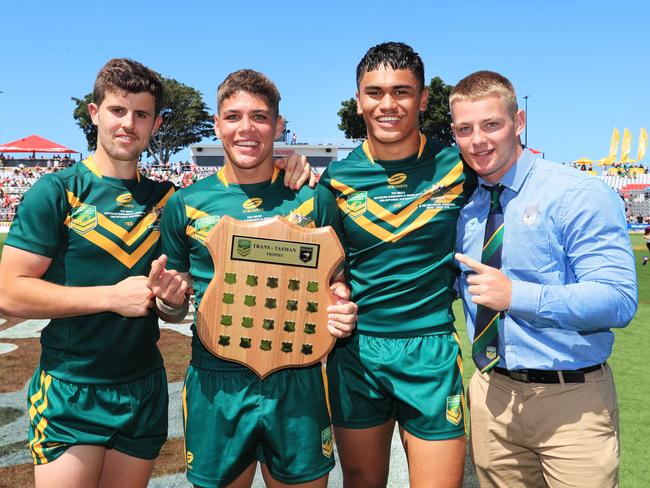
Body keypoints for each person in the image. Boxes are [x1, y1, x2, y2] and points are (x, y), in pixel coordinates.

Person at [0, 60, 317, 488]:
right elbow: (9, 293)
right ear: (94, 114)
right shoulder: (57, 191)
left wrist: (290, 161)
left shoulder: (171, 200)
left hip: (145, 388)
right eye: (117, 110)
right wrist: (111, 297)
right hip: (71, 387)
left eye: (141, 114)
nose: (128, 124)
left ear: (156, 123)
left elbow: (174, 300)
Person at [152, 69, 358, 488]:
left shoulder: (313, 196)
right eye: (233, 116)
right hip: (217, 380)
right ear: (217, 125)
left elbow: (337, 280)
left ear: (278, 126)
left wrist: (341, 304)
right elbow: (173, 304)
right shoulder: (186, 203)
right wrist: (169, 302)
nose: (246, 128)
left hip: (298, 376)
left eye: (259, 117)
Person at [451, 70, 637, 488]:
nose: (478, 140)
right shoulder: (465, 208)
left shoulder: (577, 193)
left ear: (518, 123)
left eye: (491, 124)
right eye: (465, 129)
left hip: (571, 401)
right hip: (491, 395)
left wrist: (517, 295)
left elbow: (619, 298)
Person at [317, 42, 477, 487]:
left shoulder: (459, 168)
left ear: (423, 99)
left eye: (402, 91)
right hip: (357, 354)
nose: (387, 104)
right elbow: (328, 269)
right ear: (359, 100)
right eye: (375, 92)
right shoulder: (336, 181)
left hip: (430, 351)